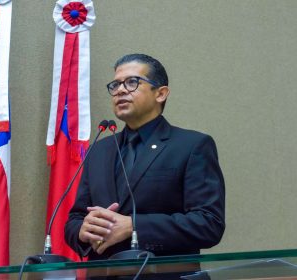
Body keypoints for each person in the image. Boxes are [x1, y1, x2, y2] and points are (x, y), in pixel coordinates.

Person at [65, 54, 225, 262]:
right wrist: (82, 231)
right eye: (115, 85)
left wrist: (133, 226)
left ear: (161, 94)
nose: (120, 90)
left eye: (132, 82)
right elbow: (75, 219)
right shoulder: (99, 150)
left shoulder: (192, 145)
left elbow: (209, 223)